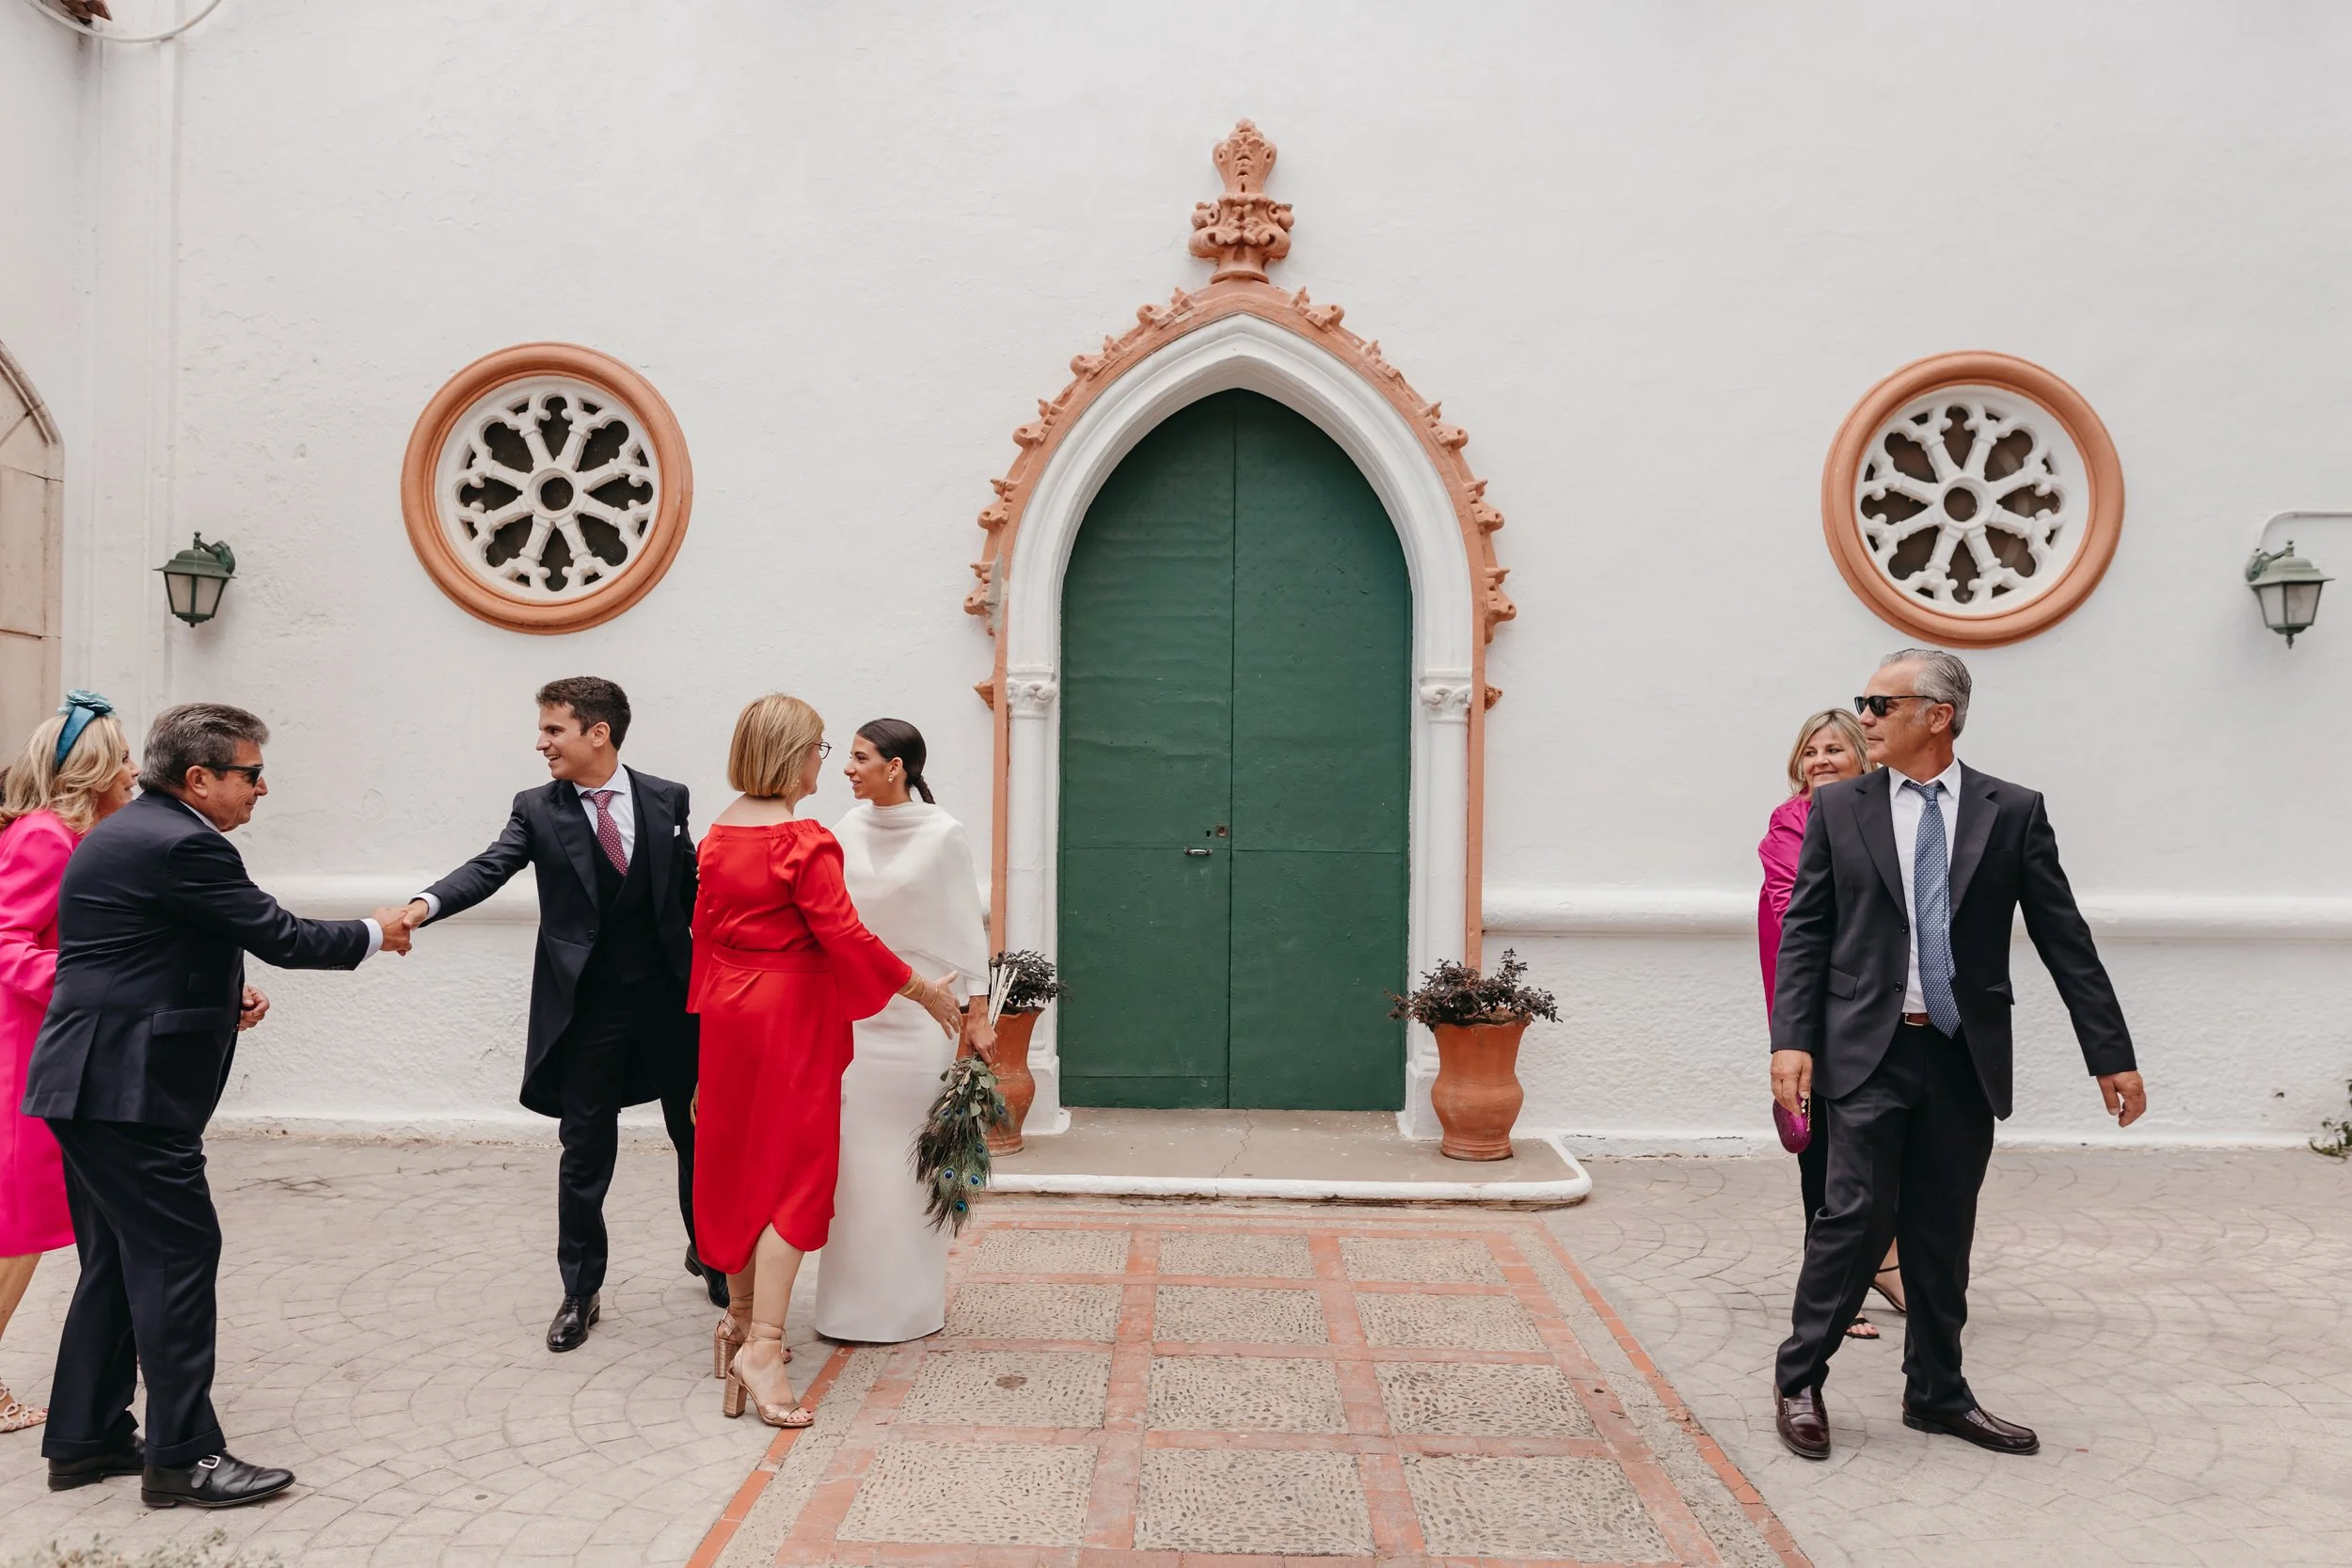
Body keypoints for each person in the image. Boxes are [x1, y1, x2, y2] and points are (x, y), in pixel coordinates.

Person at [24, 702, 415, 1508]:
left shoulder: (125, 833)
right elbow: (285, 936)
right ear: (199, 778)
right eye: (251, 774)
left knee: (117, 1262)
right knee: (176, 1258)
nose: (261, 789)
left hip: (89, 1082)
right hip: (129, 1093)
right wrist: (377, 930)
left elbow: (130, 956)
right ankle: (184, 1459)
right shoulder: (185, 843)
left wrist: (217, 995)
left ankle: (87, 1439)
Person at [1768, 649, 2146, 1463]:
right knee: (1855, 1215)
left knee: (1943, 1227)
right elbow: (1806, 931)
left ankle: (1936, 1392)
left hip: (1961, 1053)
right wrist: (1791, 1039)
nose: (1863, 716)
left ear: (1937, 716)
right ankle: (1799, 1378)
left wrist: (2109, 1052)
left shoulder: (2012, 811)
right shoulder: (1840, 809)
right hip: (1866, 1048)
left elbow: (2065, 937)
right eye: (1864, 701)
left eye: (1880, 703)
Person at [400, 677, 719, 1354]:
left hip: (671, 999)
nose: (541, 743)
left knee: (698, 1134)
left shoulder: (667, 797)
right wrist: (425, 905)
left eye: (553, 729)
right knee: (585, 1151)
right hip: (588, 1008)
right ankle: (581, 1289)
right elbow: (490, 867)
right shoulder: (537, 809)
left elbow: (691, 886)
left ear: (597, 733)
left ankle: (711, 1252)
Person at [691, 694, 961, 1428]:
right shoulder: (802, 841)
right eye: (818, 748)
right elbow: (845, 935)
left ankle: (738, 1321)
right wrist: (921, 989)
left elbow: (703, 938)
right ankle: (764, 1348)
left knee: (739, 1164)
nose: (824, 762)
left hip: (727, 1018)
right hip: (787, 1020)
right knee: (796, 1177)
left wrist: (703, 1057)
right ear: (791, 755)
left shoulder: (718, 835)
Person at [814, 720, 992, 1344]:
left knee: (908, 1162)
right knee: (856, 1165)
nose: (847, 767)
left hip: (922, 1019)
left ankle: (908, 1307)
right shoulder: (844, 827)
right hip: (856, 1017)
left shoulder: (943, 833)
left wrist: (977, 1012)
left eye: (860, 757)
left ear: (896, 766)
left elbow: (965, 924)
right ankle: (846, 1308)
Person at [0, 693, 137, 1433]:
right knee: (15, 1227)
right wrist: (89, 982)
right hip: (23, 1051)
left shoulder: (66, 837)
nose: (134, 771)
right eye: (122, 758)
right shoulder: (45, 838)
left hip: (46, 1046)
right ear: (91, 769)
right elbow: (7, 940)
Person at [1759, 708, 1900, 1341]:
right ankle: (1834, 1289)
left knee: (1884, 1140)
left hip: (1882, 1004)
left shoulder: (1890, 815)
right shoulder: (1792, 821)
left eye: (1834, 750)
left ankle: (1884, 1262)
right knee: (1821, 1150)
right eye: (1811, 751)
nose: (1819, 760)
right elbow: (1796, 911)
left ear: (1862, 759)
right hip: (1817, 1010)